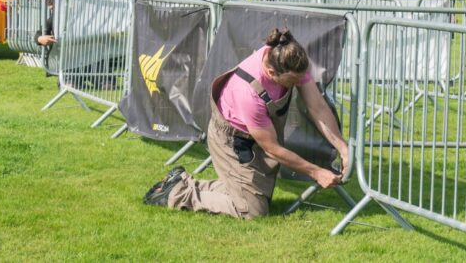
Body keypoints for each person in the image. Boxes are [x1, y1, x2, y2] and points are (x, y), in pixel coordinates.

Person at [143, 28, 348, 219]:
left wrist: (343, 148)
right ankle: (178, 193)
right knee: (251, 210)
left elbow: (318, 108)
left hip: (256, 134)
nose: (299, 83)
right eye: (293, 81)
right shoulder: (248, 92)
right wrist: (316, 172)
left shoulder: (289, 58)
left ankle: (180, 182)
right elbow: (273, 149)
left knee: (256, 198)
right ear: (271, 72)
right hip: (233, 141)